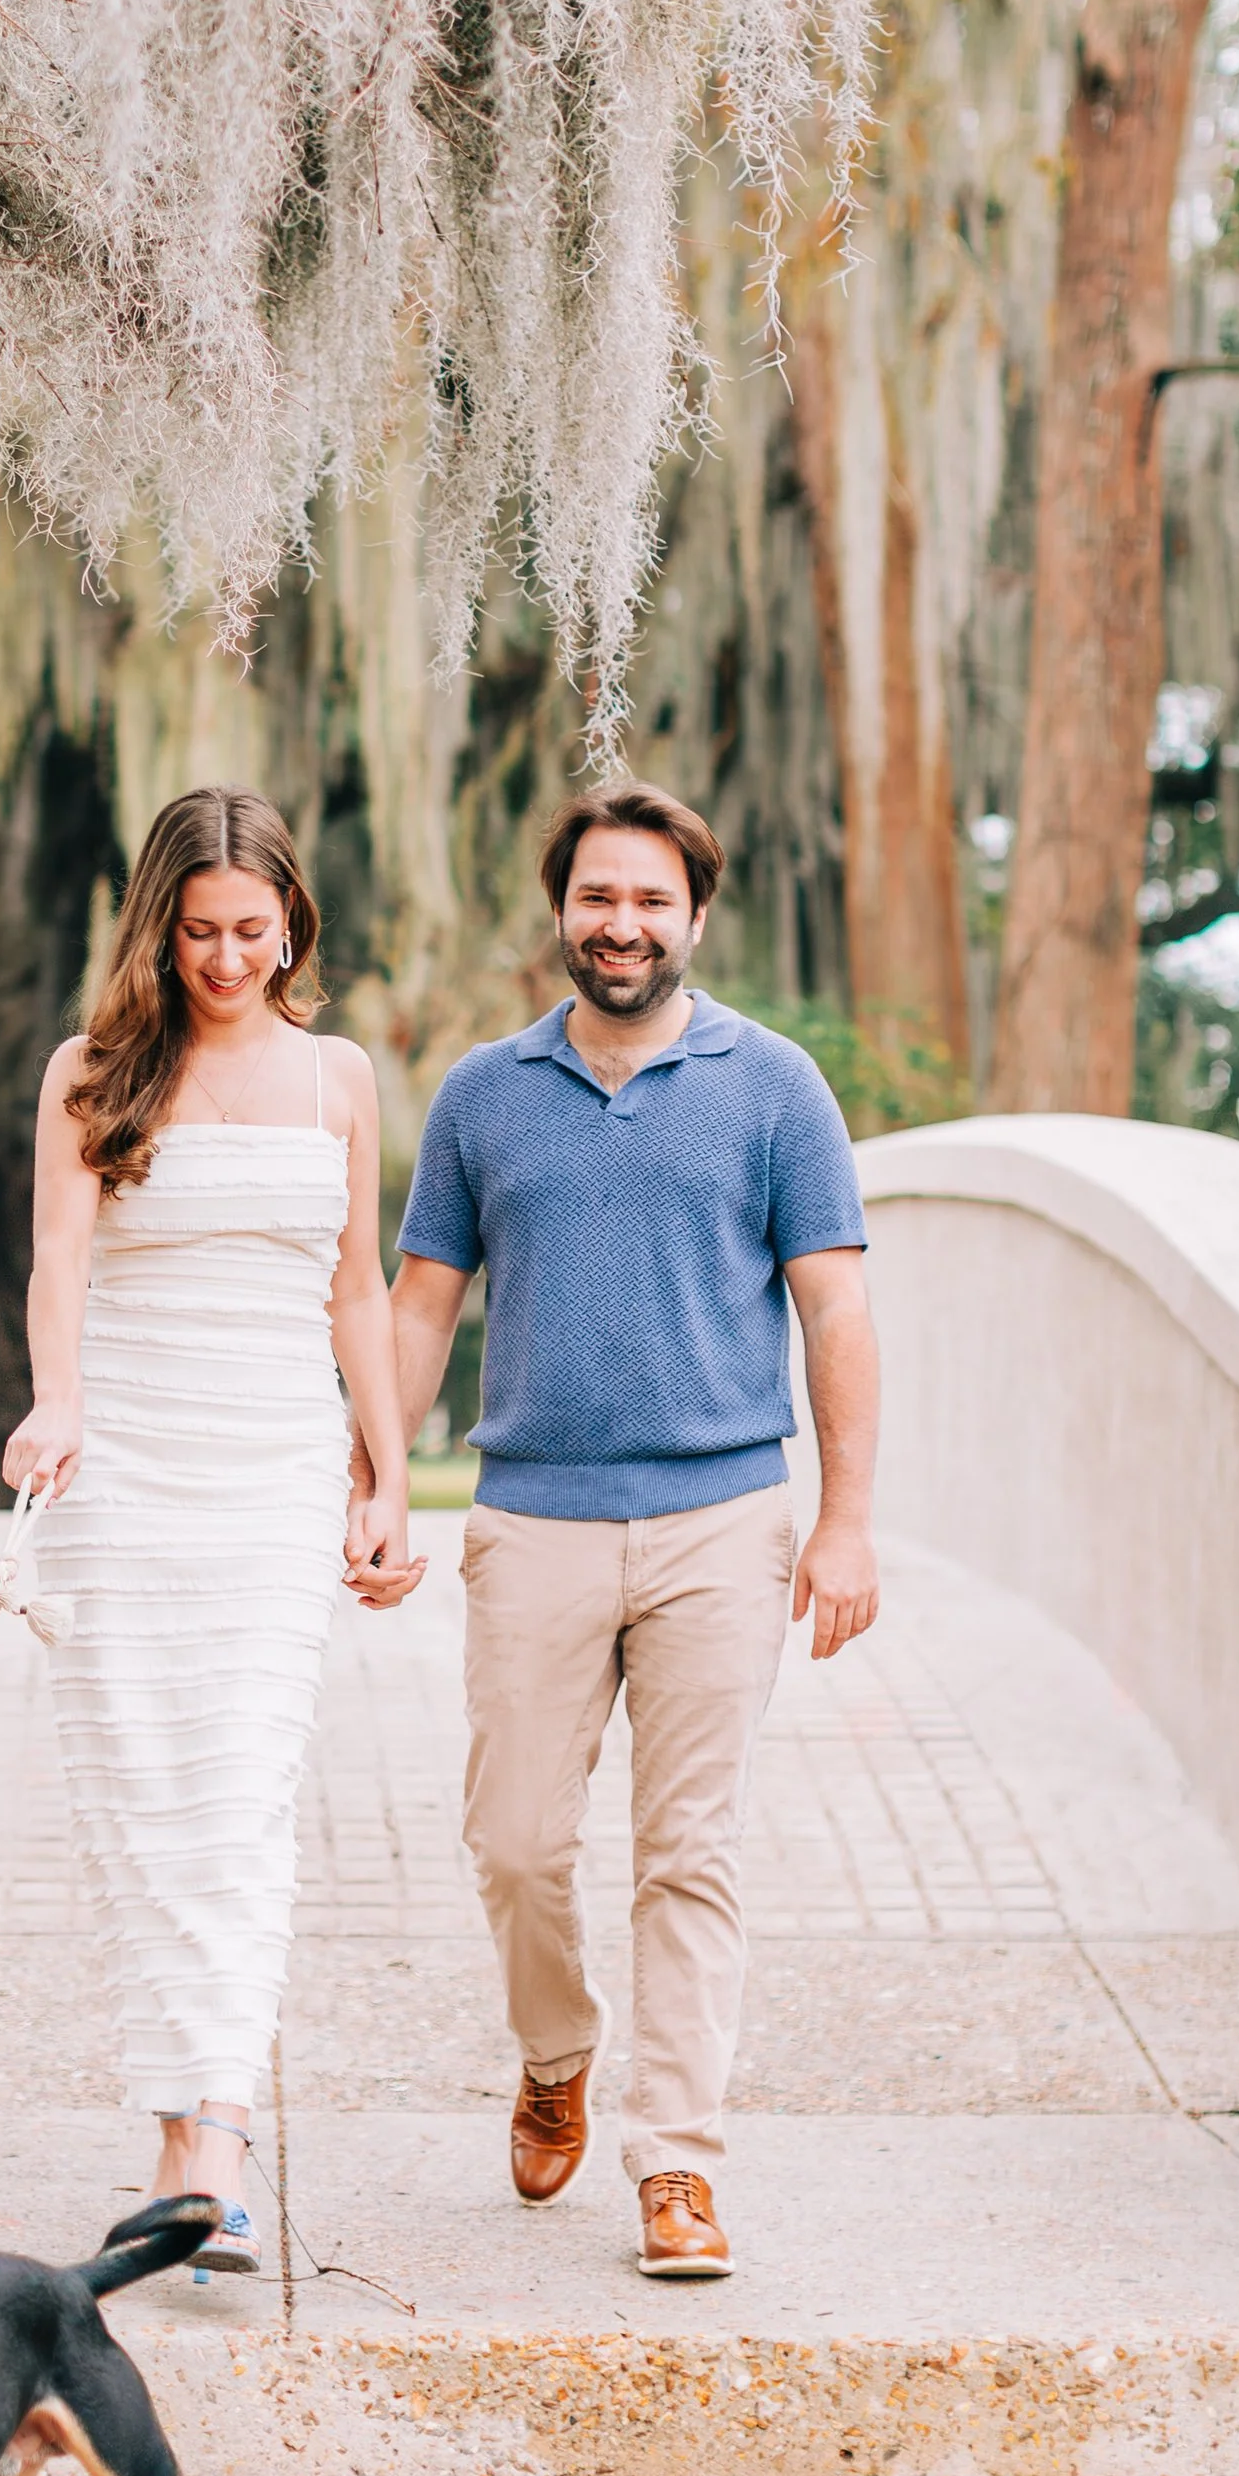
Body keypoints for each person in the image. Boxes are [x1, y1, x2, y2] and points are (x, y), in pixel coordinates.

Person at [375, 780, 878, 2279]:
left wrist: (846, 1521)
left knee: (690, 1851)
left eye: (652, 899)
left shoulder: (775, 1085)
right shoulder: (482, 1095)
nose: (623, 923)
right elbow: (418, 1307)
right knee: (516, 1843)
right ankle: (555, 2047)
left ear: (696, 916)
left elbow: (836, 1303)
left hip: (725, 1517)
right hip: (531, 1516)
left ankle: (676, 2164)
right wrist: (378, 1477)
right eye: (600, 896)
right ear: (562, 910)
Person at [4, 786, 424, 2276]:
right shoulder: (91, 1071)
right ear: (158, 927)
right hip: (121, 1463)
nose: (228, 958)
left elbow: (357, 1289)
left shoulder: (339, 1080)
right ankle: (169, 2128)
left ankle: (222, 2141)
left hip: (272, 1464)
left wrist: (387, 1471)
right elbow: (60, 1260)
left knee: (241, 1783)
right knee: (143, 1788)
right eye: (200, 932)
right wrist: (56, 1404)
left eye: (254, 930)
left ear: (292, 923)